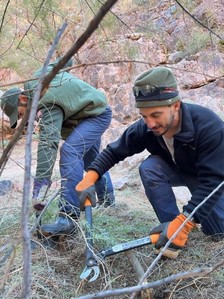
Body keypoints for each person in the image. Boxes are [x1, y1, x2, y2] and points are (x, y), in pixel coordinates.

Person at [75, 66, 224, 255]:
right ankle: (170, 232)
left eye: (155, 115)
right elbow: (114, 151)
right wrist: (90, 176)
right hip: (178, 169)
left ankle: (180, 228)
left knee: (218, 232)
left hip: (208, 178)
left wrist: (185, 222)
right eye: (144, 116)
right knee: (149, 167)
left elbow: (213, 181)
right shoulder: (146, 128)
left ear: (175, 106)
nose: (150, 123)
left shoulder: (208, 126)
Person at [0, 57, 115, 236]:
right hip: (86, 116)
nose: (25, 119)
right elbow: (65, 62)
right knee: (92, 162)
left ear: (23, 98)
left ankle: (68, 216)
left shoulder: (46, 103)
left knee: (69, 151)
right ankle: (109, 204)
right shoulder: (42, 74)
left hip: (95, 115)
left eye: (22, 113)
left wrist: (40, 188)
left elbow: (48, 144)